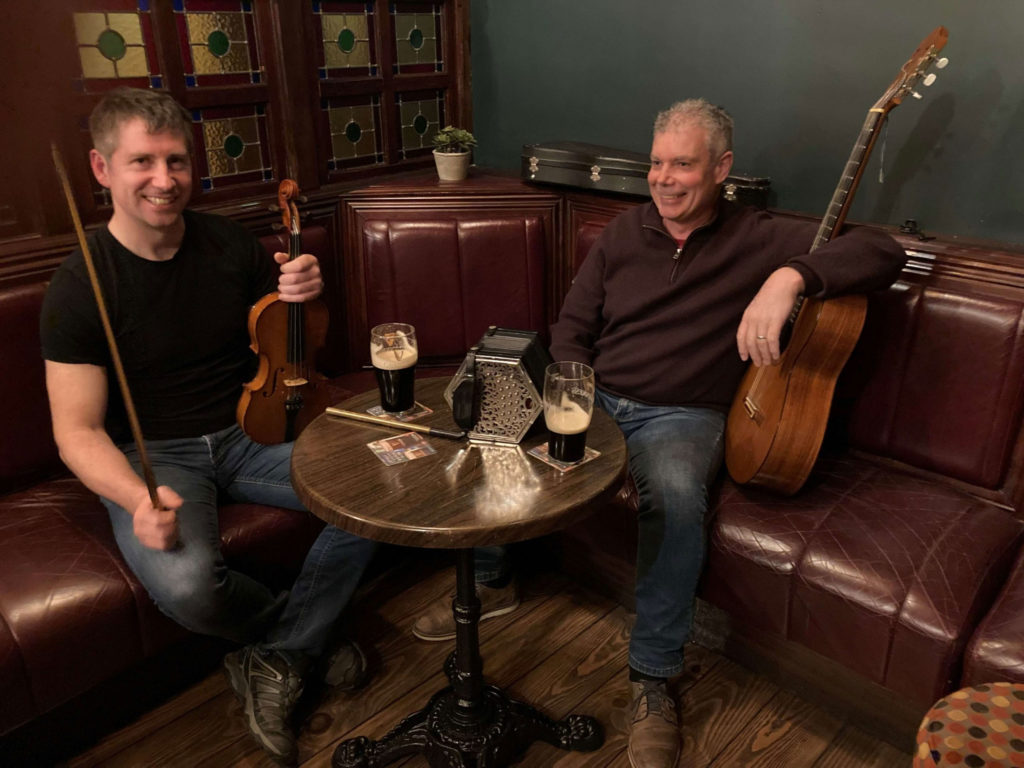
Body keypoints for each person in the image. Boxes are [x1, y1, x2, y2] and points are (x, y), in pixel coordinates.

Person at [412, 99, 906, 768]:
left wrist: (792, 278)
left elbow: (885, 249)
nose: (666, 179)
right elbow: (572, 329)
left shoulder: (761, 237)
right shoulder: (622, 235)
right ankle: (496, 580)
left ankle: (650, 678)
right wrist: (572, 391)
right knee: (497, 424)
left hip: (685, 413)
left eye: (684, 164)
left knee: (674, 495)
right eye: (657, 163)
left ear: (722, 168)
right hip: (599, 394)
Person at [39, 87, 377, 766]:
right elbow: (75, 432)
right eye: (142, 162)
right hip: (154, 456)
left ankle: (280, 657)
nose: (164, 181)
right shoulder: (78, 287)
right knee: (189, 586)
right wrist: (137, 498)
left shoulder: (228, 244)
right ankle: (302, 637)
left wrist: (301, 291)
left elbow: (287, 342)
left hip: (248, 426)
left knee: (373, 489)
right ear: (101, 170)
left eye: (177, 161)